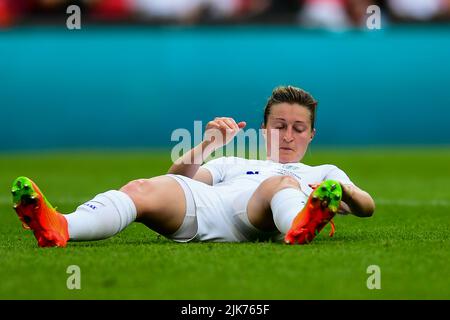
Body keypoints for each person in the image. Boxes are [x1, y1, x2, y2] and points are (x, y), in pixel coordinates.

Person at [11, 85, 375, 247]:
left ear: (312, 135)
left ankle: (300, 224)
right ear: (265, 129)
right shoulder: (234, 162)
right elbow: (175, 180)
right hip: (209, 209)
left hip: (260, 218)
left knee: (278, 185)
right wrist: (208, 144)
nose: (289, 136)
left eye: (299, 129)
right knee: (141, 188)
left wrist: (344, 194)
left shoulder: (323, 172)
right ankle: (59, 226)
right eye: (280, 126)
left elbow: (366, 206)